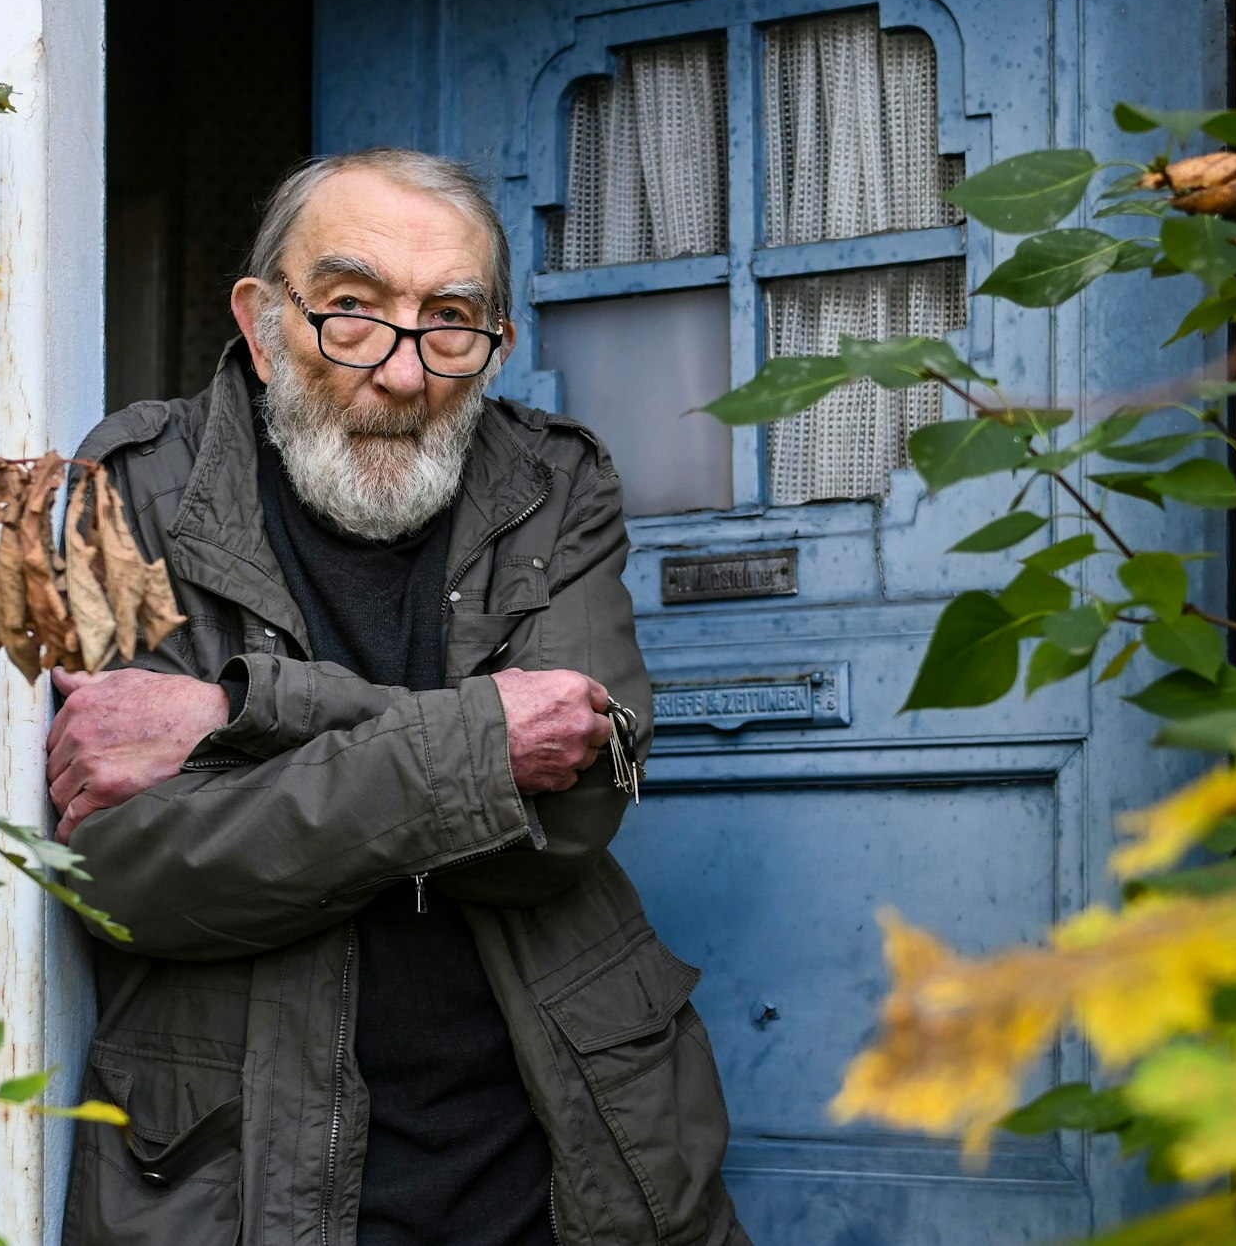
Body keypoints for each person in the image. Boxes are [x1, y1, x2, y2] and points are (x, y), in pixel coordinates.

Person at [46, 148, 749, 1246]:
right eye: (350, 310)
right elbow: (132, 870)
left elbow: (567, 810)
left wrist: (248, 713)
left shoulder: (554, 483)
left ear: (496, 347)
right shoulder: (134, 485)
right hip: (239, 1176)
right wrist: (487, 742)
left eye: (449, 323)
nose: (403, 371)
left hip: (566, 1147)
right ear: (263, 320)